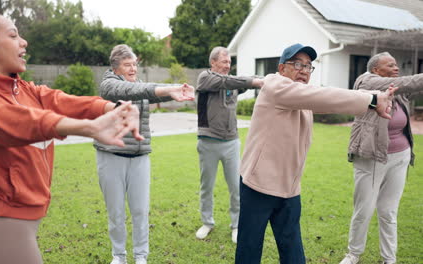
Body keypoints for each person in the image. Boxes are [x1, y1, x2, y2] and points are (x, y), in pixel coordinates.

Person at [0, 11, 143, 264]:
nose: (24, 42)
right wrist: (87, 127)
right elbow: (21, 121)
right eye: (13, 35)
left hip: (23, 225)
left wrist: (114, 108)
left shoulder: (22, 88)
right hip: (5, 229)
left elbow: (60, 101)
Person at [234, 43, 397, 264]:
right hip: (258, 185)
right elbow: (321, 95)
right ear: (282, 69)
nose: (303, 70)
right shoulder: (275, 86)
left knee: (293, 252)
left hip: (289, 188)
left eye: (308, 66)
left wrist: (372, 96)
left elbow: (328, 98)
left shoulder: (303, 97)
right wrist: (373, 99)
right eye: (297, 64)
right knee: (249, 250)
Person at [94, 44, 194, 264]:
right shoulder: (109, 85)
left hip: (140, 158)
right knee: (116, 213)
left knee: (140, 211)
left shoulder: (139, 85)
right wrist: (169, 88)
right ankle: (118, 256)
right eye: (128, 65)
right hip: (111, 157)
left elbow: (148, 92)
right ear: (116, 67)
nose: (133, 69)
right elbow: (130, 92)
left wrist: (173, 93)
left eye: (135, 65)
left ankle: (141, 257)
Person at [339, 52, 423, 264]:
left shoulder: (396, 89)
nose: (396, 68)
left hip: (401, 156)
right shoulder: (366, 81)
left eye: (396, 64)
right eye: (390, 65)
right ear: (376, 69)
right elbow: (406, 82)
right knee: (364, 209)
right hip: (372, 155)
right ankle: (353, 254)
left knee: (388, 211)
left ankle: (389, 258)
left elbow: (412, 86)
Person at [195, 46, 264, 244]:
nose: (227, 66)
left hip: (231, 142)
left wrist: (265, 78)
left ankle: (236, 225)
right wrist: (254, 81)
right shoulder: (205, 78)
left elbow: (237, 81)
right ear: (213, 62)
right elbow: (228, 81)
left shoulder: (231, 81)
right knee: (206, 186)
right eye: (224, 62)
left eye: (229, 63)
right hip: (208, 141)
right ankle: (207, 222)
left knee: (236, 187)